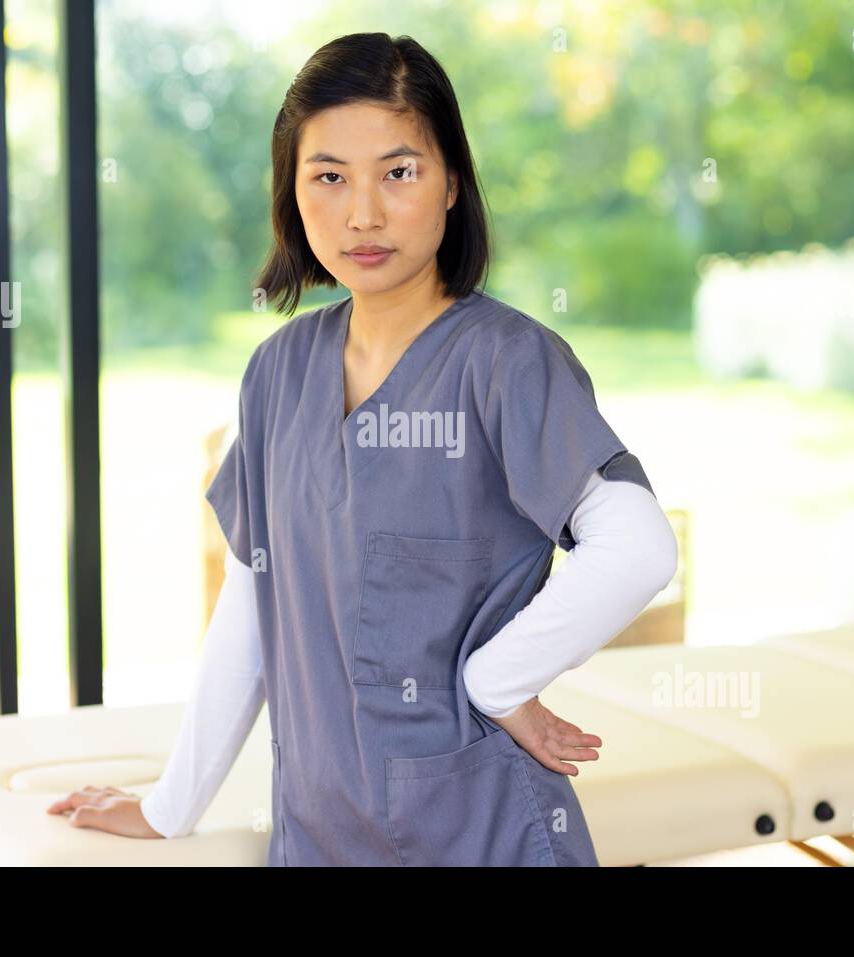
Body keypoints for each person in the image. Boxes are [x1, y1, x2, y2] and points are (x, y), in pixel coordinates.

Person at [47, 32, 678, 865]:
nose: (364, 213)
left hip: (483, 832)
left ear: (453, 181)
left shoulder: (506, 364)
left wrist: (498, 679)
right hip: (319, 834)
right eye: (330, 177)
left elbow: (637, 548)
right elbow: (252, 602)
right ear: (292, 192)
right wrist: (171, 804)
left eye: (400, 171)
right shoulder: (278, 373)